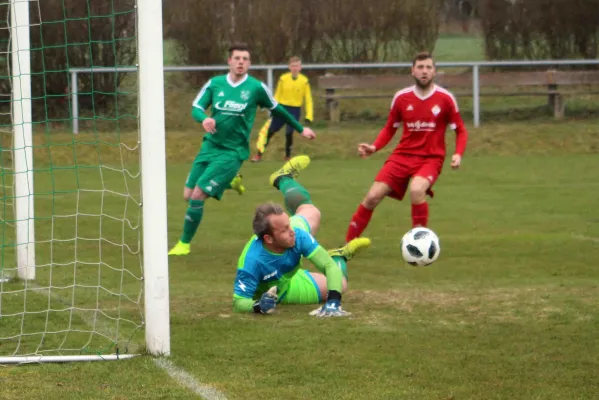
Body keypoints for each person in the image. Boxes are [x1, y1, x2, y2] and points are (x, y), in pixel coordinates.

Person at [169, 43, 316, 256]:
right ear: (229, 61)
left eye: (245, 59)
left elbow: (278, 110)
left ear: (249, 63)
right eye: (237, 58)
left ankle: (184, 243)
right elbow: (196, 108)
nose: (240, 62)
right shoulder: (215, 84)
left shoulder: (256, 88)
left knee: (197, 196)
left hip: (233, 152)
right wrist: (204, 119)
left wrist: (301, 129)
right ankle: (230, 181)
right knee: (187, 194)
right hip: (209, 146)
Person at [345, 51, 469, 242]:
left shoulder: (445, 98)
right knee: (372, 197)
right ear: (413, 71)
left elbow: (460, 130)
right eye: (420, 67)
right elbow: (390, 128)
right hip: (402, 156)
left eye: (428, 67)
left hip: (430, 158)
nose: (424, 71)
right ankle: (347, 247)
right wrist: (374, 147)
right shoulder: (401, 97)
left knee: (417, 190)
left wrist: (458, 154)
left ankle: (419, 245)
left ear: (434, 71)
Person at [232, 155, 371, 317]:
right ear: (268, 239)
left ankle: (283, 179)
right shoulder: (252, 260)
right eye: (284, 229)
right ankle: (339, 257)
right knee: (342, 283)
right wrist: (257, 305)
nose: (292, 231)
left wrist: (333, 301)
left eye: (289, 224)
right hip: (285, 291)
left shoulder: (297, 234)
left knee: (312, 212)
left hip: (289, 278)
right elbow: (239, 301)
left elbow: (328, 267)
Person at [251, 56, 314, 162]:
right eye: (293, 66)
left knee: (289, 133)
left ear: (300, 68)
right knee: (270, 132)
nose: (295, 68)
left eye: (297, 66)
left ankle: (287, 156)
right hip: (282, 109)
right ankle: (258, 155)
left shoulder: (304, 81)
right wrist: (273, 109)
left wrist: (309, 116)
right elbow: (277, 95)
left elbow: (308, 99)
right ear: (289, 67)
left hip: (295, 110)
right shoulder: (283, 78)